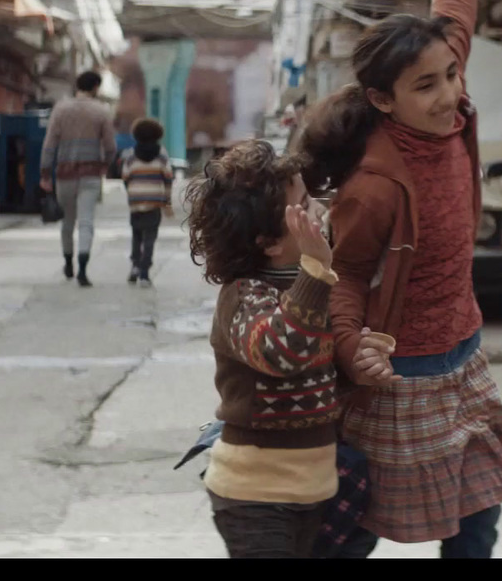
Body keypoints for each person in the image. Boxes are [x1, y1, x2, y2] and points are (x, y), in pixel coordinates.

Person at [297, 0, 502, 559]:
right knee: (360, 521)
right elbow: (338, 281)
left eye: (452, 74)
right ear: (383, 99)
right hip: (404, 369)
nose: (451, 93)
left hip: (465, 350)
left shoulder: (445, 81)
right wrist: (351, 349)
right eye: (427, 86)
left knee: (478, 514)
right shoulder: (372, 186)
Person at [184, 140, 393, 558]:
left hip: (313, 489)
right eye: (303, 204)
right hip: (255, 496)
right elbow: (281, 352)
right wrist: (317, 270)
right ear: (270, 243)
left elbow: (319, 372)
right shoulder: (244, 295)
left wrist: (360, 362)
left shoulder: (309, 286)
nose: (319, 209)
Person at [39, 71, 117, 287]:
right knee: (86, 221)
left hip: (65, 175)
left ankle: (68, 262)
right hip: (90, 175)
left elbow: (49, 144)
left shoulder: (61, 109)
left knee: (68, 221)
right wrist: (104, 166)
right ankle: (83, 267)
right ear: (95, 88)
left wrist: (45, 173)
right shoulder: (101, 111)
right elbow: (111, 147)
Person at [121, 118, 175, 287]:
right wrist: (167, 201)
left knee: (136, 235)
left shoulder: (130, 155)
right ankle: (144, 273)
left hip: (135, 201)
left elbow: (125, 176)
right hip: (154, 201)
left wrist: (132, 191)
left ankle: (135, 266)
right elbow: (168, 178)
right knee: (150, 237)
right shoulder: (162, 155)